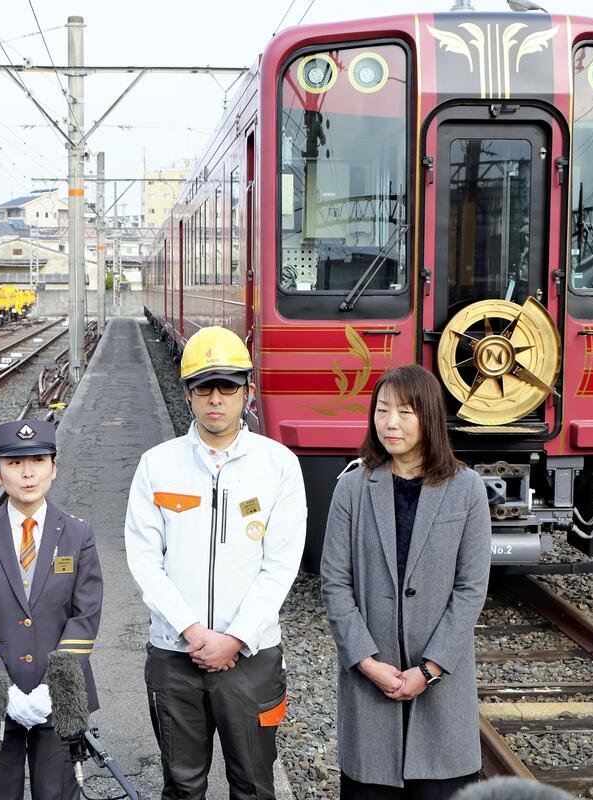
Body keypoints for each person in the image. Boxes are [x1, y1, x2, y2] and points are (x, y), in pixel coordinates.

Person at [124, 326, 307, 800]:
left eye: (228, 385)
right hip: (174, 654)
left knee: (253, 785)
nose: (216, 398)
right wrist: (191, 630)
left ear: (248, 391)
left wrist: (236, 637)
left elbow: (281, 565)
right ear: (188, 394)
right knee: (183, 786)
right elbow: (145, 560)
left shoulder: (279, 465)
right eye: (204, 386)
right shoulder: (156, 465)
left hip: (251, 657)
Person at [320, 364, 492, 800]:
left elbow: (471, 588)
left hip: (441, 687)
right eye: (381, 410)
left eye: (405, 412)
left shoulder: (466, 488)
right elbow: (334, 582)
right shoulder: (353, 488)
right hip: (370, 683)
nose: (390, 423)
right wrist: (365, 661)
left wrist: (430, 669)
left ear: (429, 417)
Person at [0, 419, 103, 800]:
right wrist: (5, 691)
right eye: (15, 463)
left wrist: (51, 688)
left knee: (57, 791)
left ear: (54, 467)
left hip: (59, 693)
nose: (27, 472)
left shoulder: (77, 534)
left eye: (37, 460)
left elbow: (84, 617)